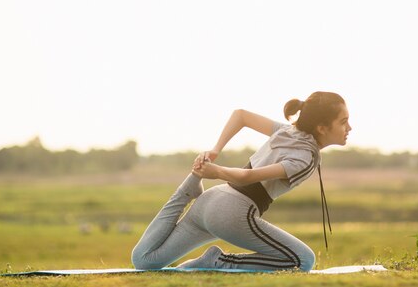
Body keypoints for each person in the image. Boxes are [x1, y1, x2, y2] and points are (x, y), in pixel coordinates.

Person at [131, 91, 352, 272]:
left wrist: (215, 151)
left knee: (145, 261)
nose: (349, 128)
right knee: (303, 260)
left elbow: (241, 115)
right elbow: (247, 177)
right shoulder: (304, 158)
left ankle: (188, 188)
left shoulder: (287, 131)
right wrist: (216, 170)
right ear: (322, 128)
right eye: (344, 122)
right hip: (232, 212)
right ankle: (218, 261)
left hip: (210, 200)